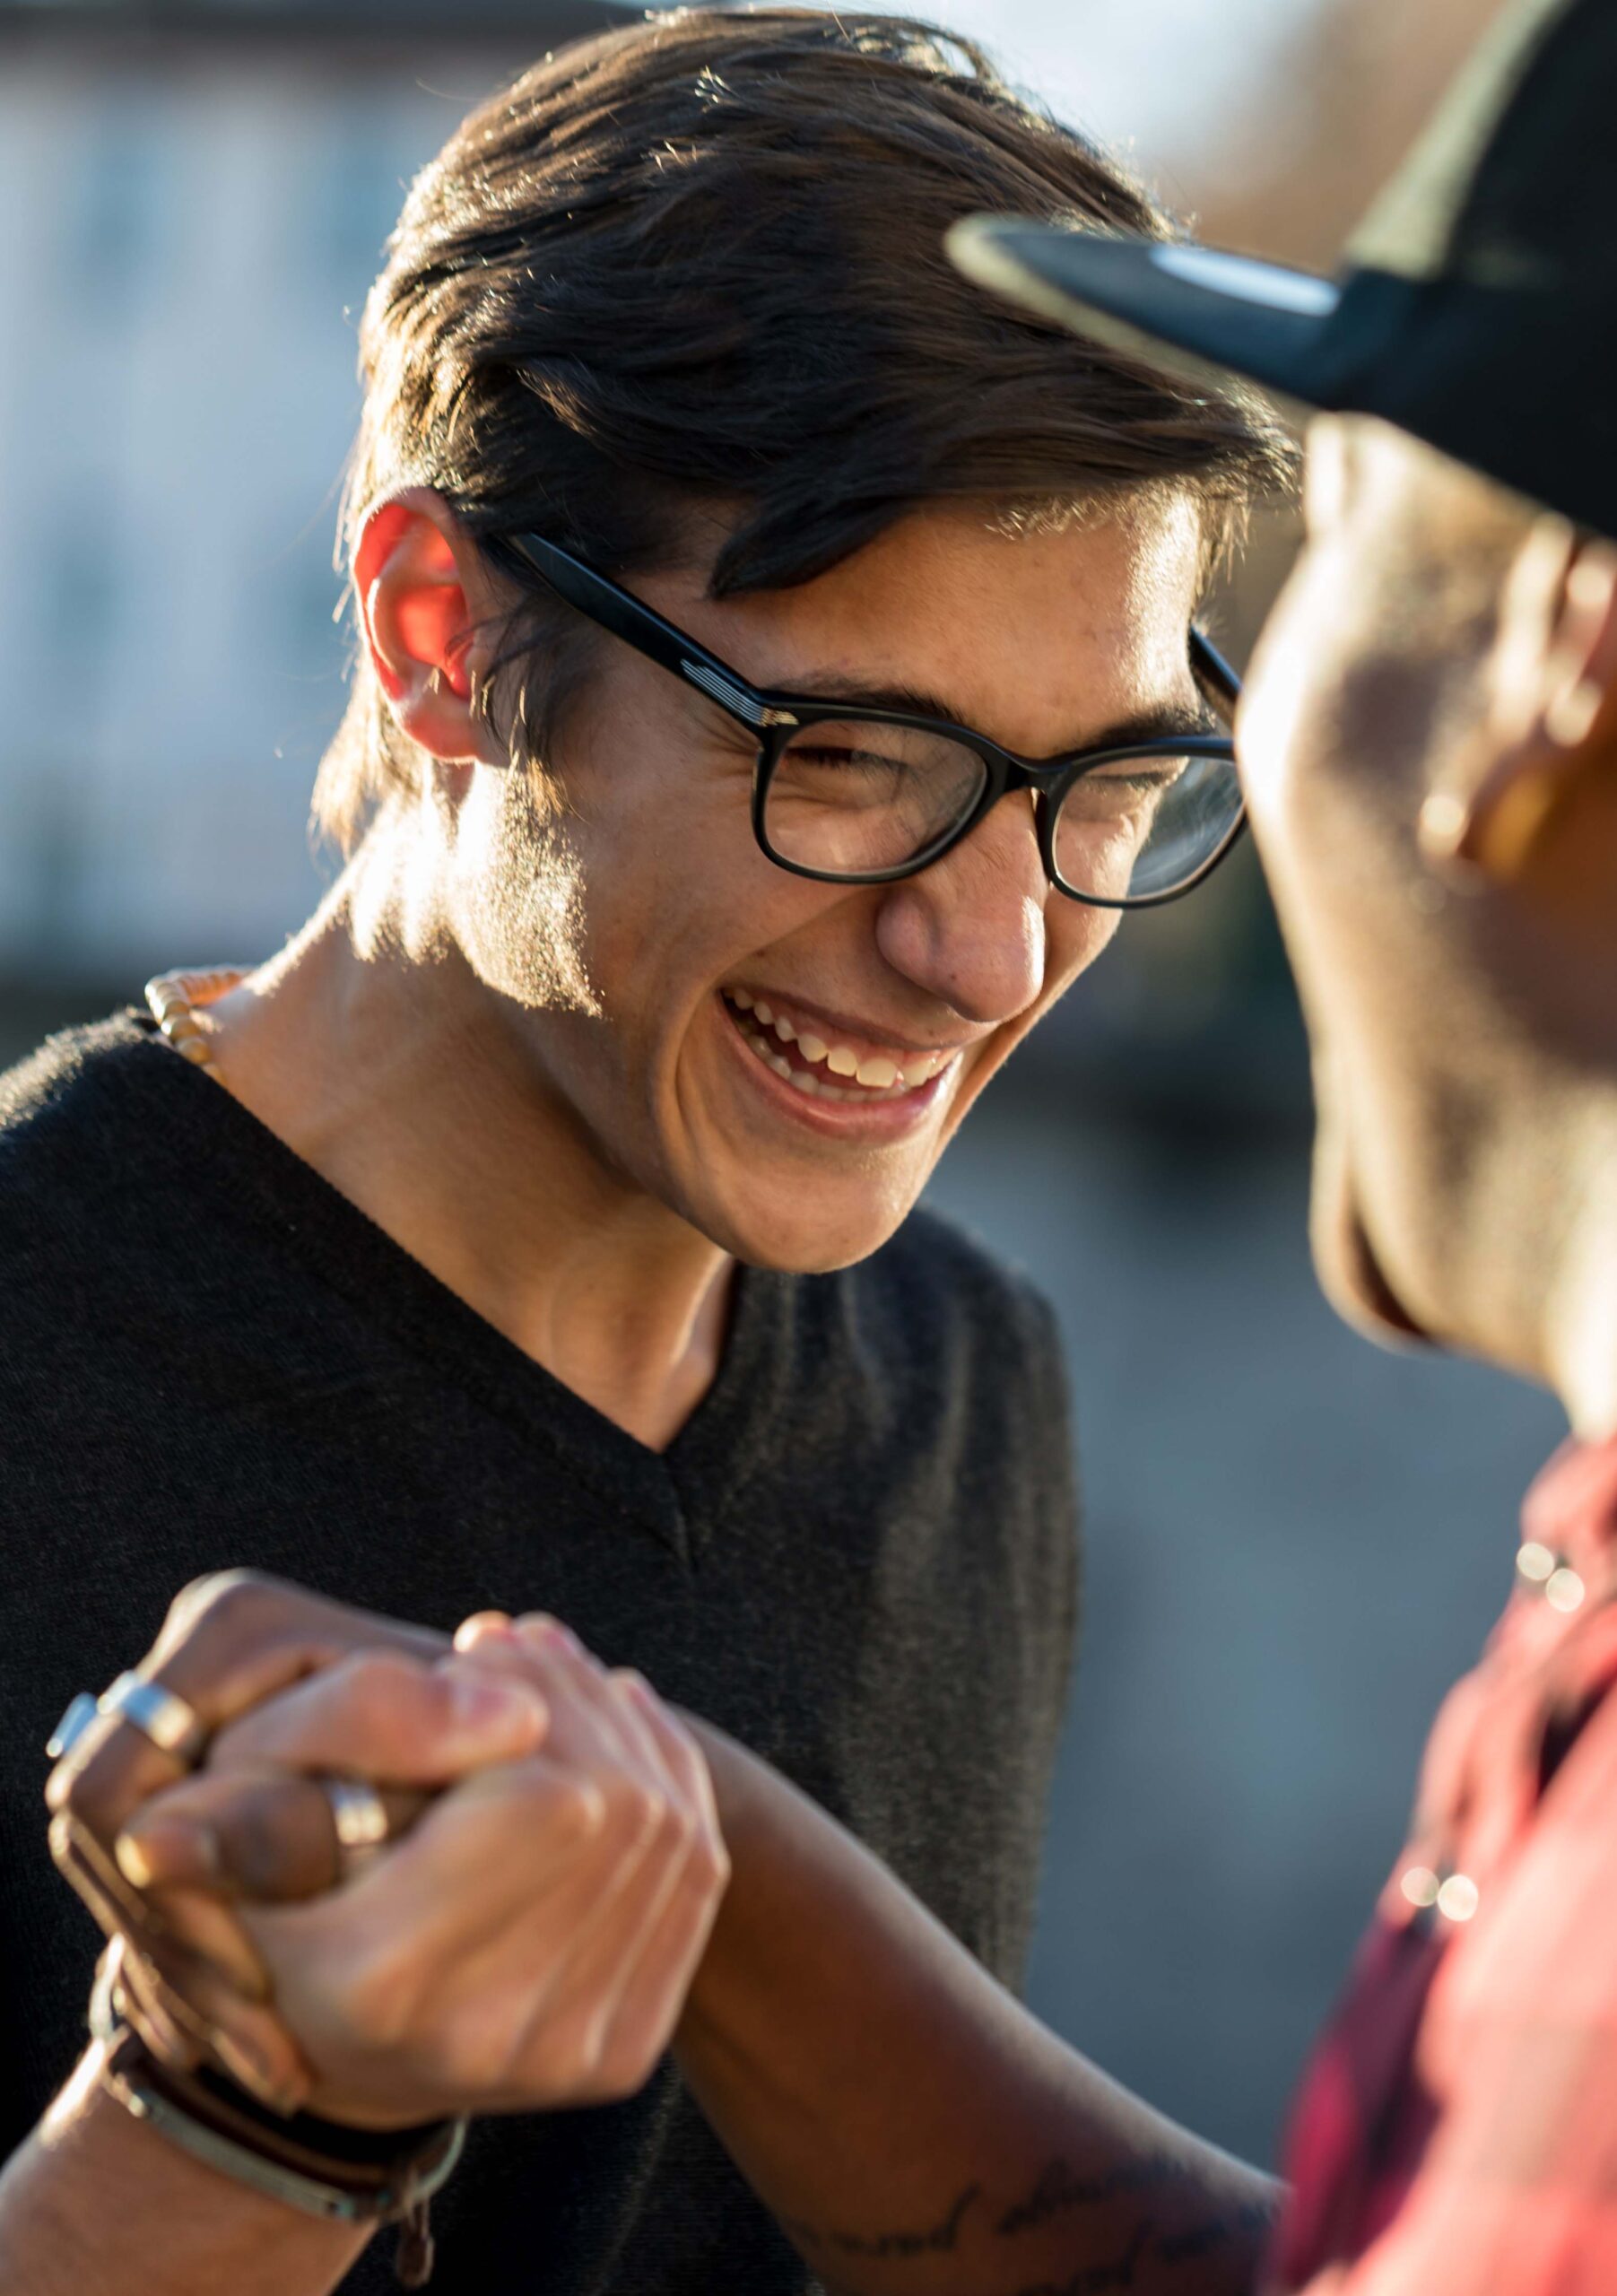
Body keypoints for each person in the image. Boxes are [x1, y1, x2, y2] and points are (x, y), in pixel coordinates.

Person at [58, 1, 1617, 2292]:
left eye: (1108, 782)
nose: (992, 950)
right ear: (434, 632)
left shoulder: (962, 1381)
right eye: (856, 752)